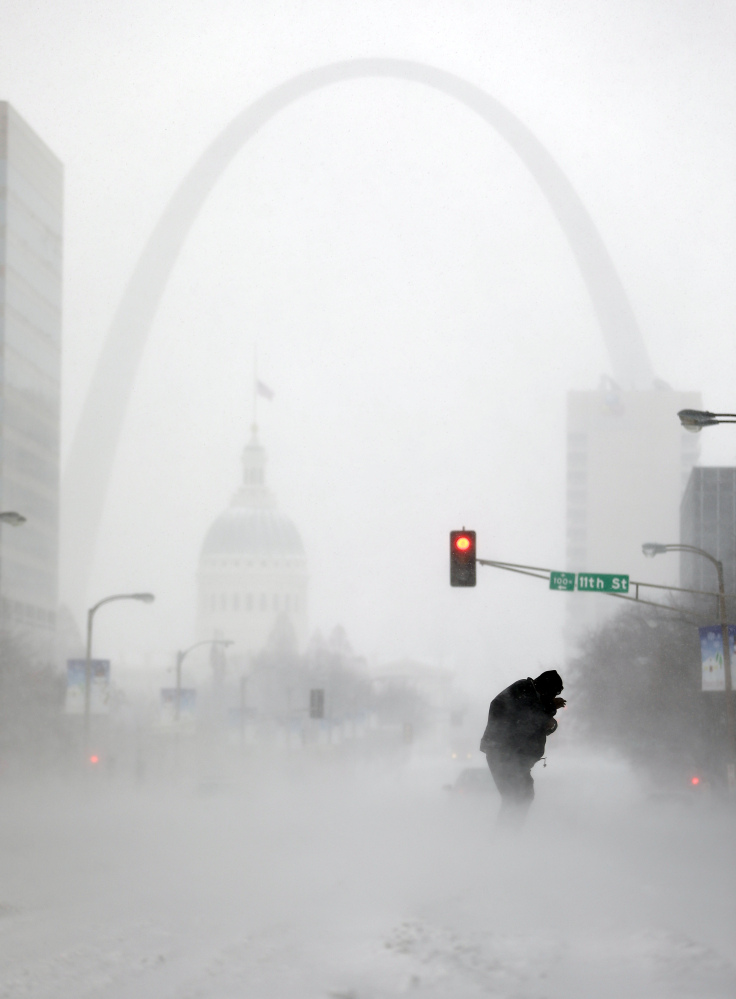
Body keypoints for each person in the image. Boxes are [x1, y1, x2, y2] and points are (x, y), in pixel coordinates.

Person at [480, 669, 565, 826]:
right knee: (517, 797)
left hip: (515, 757)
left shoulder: (533, 697)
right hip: (504, 754)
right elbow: (524, 720)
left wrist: (549, 724)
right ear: (546, 687)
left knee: (521, 796)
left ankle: (508, 838)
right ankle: (506, 839)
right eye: (553, 693)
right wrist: (550, 707)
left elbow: (532, 723)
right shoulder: (524, 690)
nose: (553, 698)